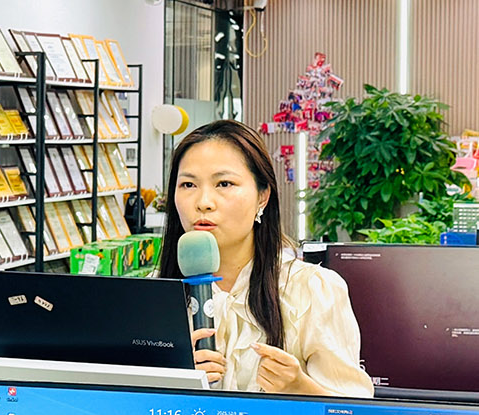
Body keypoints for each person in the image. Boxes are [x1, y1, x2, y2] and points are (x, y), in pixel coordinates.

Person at [159, 120, 372, 397]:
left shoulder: (312, 290)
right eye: (188, 184)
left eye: (224, 183)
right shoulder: (154, 295)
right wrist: (169, 376)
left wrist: (299, 387)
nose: (203, 202)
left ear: (262, 196)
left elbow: (353, 412)